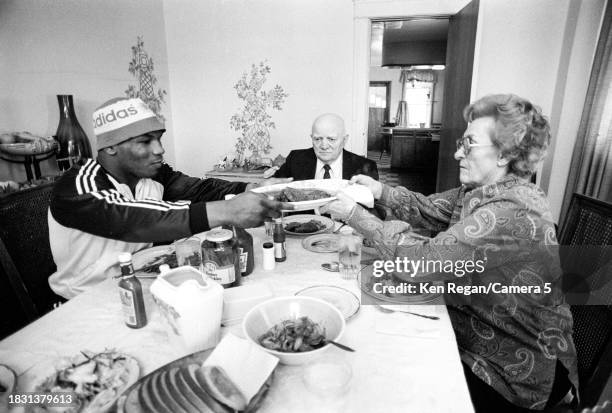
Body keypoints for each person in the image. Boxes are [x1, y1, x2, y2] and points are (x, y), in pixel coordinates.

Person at [322, 94, 578, 412]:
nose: (458, 152)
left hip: (508, 373)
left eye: (470, 144)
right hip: (471, 336)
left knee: (384, 381)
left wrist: (356, 217)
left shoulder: (510, 211)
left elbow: (418, 264)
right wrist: (379, 191)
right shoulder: (479, 191)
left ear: (504, 154)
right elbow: (427, 209)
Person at [48, 97, 291, 299]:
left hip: (144, 284)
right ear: (111, 147)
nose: (159, 149)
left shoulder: (154, 175)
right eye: (145, 141)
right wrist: (228, 211)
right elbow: (131, 218)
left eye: (159, 139)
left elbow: (199, 189)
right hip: (85, 301)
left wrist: (252, 187)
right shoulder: (78, 186)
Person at [273, 113, 378, 181]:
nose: (323, 146)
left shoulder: (366, 167)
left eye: (331, 139)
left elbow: (377, 212)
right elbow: (274, 191)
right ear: (311, 138)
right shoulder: (295, 159)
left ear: (344, 140)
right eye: (317, 139)